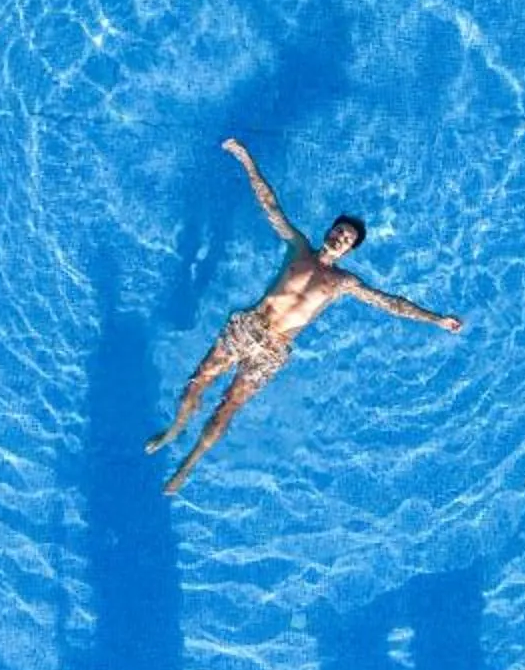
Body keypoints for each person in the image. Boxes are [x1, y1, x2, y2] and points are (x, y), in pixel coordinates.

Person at [148, 136, 463, 492]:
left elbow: (391, 303)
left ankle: (187, 467)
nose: (339, 238)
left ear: (349, 250)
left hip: (273, 350)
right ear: (328, 231)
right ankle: (174, 430)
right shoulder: (299, 248)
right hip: (250, 326)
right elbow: (270, 205)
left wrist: (436, 319)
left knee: (227, 408)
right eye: (338, 231)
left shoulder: (343, 282)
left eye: (347, 239)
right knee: (200, 378)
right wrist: (246, 159)